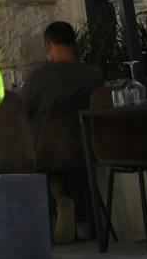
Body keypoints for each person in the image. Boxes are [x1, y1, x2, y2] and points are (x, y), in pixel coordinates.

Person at [22, 21, 103, 239]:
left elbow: (23, 109)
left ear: (48, 44)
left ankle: (59, 201)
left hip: (44, 148)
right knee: (62, 160)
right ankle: (83, 220)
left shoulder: (40, 76)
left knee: (32, 154)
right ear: (74, 42)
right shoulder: (93, 74)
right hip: (85, 146)